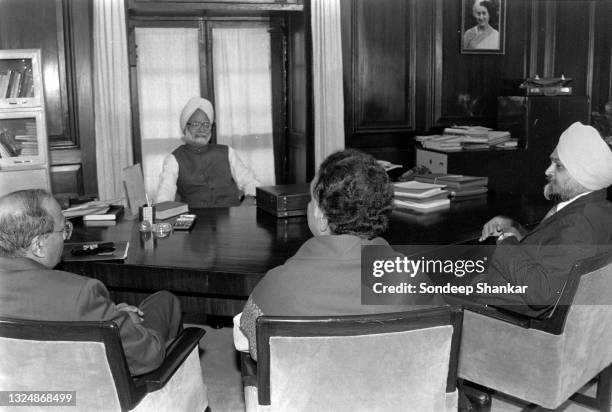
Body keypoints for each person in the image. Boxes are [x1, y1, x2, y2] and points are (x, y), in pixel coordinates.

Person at [233, 149, 445, 360]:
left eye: (310, 199)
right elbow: (439, 342)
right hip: (394, 390)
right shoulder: (411, 278)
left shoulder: (278, 285)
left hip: (308, 392)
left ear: (321, 216)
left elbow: (248, 342)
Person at [0, 189, 183, 376]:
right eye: (63, 230)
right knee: (164, 301)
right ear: (38, 245)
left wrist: (112, 316)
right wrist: (131, 322)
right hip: (75, 396)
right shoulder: (79, 293)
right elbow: (147, 357)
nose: (65, 237)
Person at [473, 122, 612, 317]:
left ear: (582, 173)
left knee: (419, 280)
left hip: (500, 316)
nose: (548, 171)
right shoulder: (597, 209)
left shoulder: (579, 224)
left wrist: (505, 242)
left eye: (559, 166)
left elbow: (542, 293)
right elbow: (557, 254)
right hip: (501, 295)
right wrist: (515, 229)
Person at [156, 96, 261, 208]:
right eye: (196, 124)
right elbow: (165, 193)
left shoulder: (227, 152)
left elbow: (251, 182)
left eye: (206, 125)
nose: (202, 129)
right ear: (185, 128)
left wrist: (248, 202)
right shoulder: (174, 159)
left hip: (230, 218)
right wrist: (164, 211)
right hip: (195, 220)